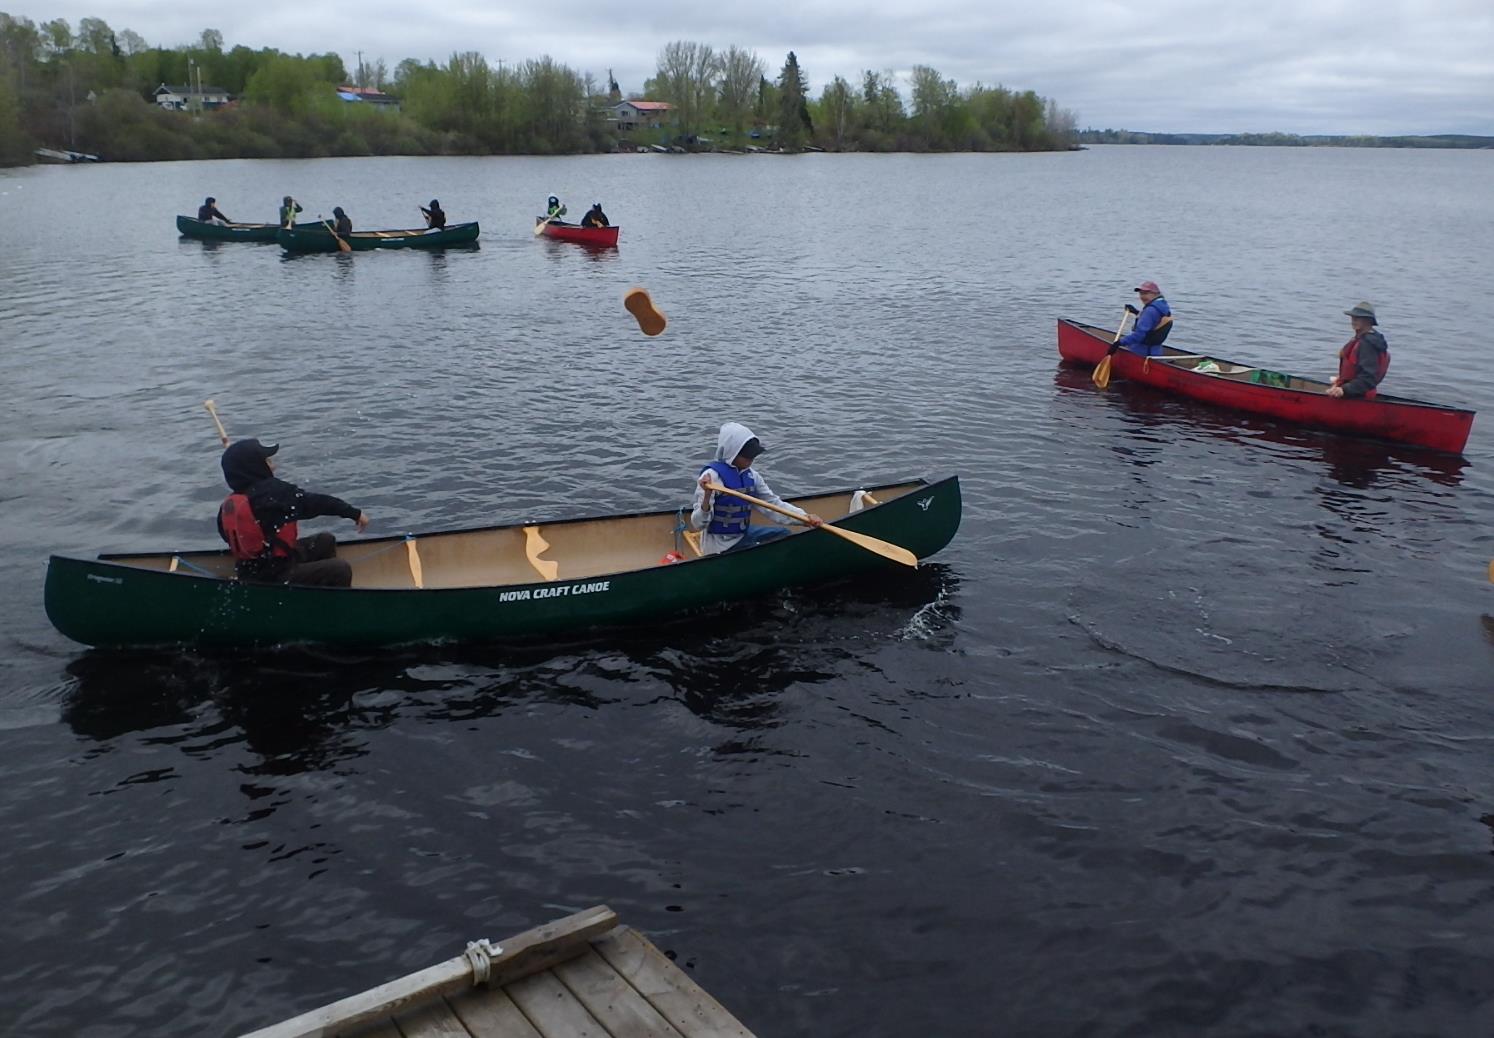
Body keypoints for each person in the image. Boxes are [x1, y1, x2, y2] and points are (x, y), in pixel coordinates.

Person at [216, 438, 370, 587]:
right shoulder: (274, 493)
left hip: (251, 570)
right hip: (275, 575)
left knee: (325, 540)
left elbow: (228, 536)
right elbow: (315, 503)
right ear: (256, 467)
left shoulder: (230, 503)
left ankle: (317, 591)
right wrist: (354, 513)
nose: (274, 466)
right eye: (268, 462)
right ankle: (329, 607)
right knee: (340, 569)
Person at [689, 422, 823, 555]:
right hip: (718, 546)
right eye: (747, 455)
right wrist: (707, 495)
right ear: (732, 453)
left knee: (784, 535)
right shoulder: (711, 478)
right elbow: (698, 524)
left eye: (753, 455)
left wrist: (804, 518)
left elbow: (772, 504)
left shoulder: (752, 476)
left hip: (742, 535)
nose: (751, 459)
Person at [1328, 302, 1390, 399]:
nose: (1353, 321)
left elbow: (1368, 378)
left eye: (1358, 318)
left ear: (1368, 321)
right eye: (1353, 318)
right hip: (1354, 391)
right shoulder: (1362, 338)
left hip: (1359, 395)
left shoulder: (1368, 344)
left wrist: (1343, 390)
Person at [1114, 280, 1174, 356]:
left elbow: (1139, 335)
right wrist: (1136, 312)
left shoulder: (1150, 311)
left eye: (1146, 293)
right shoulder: (1163, 306)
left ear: (1156, 294)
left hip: (1141, 352)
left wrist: (1119, 342)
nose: (1142, 297)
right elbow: (1154, 321)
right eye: (1141, 294)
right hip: (1156, 351)